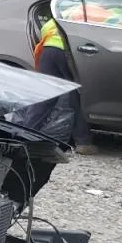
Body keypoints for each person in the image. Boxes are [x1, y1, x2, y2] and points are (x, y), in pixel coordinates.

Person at [33, 13, 96, 153]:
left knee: (44, 96)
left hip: (49, 50)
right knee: (78, 95)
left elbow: (45, 28)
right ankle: (83, 142)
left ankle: (26, 134)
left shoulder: (72, 9)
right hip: (72, 53)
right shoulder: (112, 13)